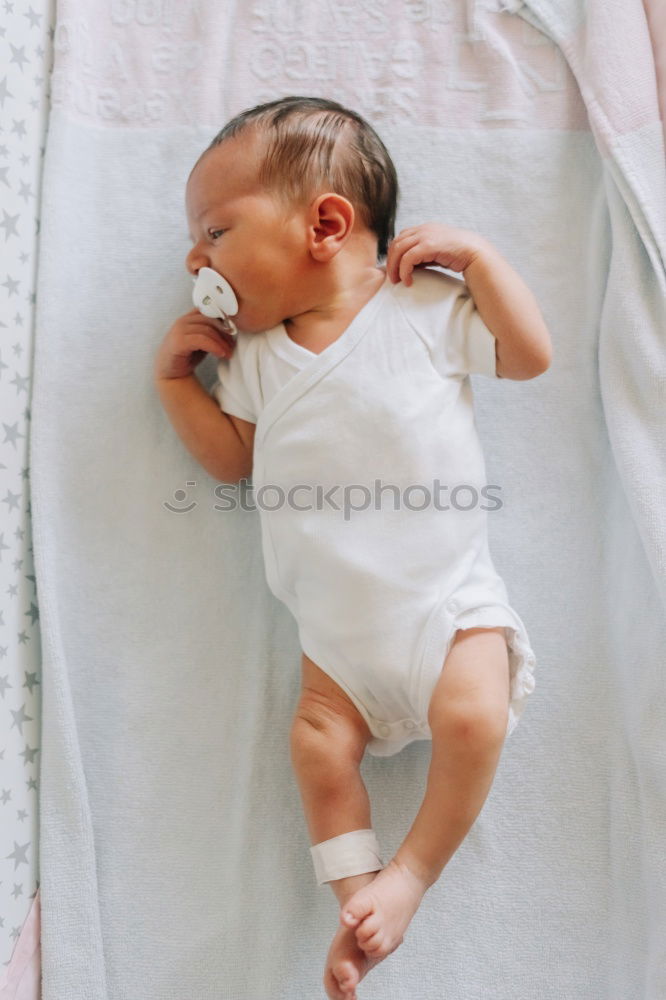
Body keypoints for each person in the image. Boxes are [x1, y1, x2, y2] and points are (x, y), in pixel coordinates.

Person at [154, 96, 551, 1000]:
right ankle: (357, 894)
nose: (193, 259)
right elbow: (235, 463)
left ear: (327, 223)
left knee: (475, 718)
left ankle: (411, 872)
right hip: (334, 648)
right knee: (316, 747)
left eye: (214, 230)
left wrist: (483, 263)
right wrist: (179, 385)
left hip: (445, 604)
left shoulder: (423, 306)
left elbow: (528, 357)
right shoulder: (253, 356)